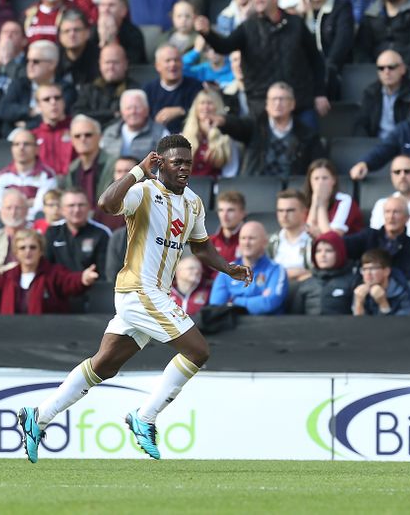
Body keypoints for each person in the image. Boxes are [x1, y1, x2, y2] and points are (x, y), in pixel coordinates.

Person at [16, 136, 252, 463]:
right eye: (176, 162)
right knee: (198, 350)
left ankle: (38, 415)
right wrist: (138, 172)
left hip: (149, 295)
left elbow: (199, 246)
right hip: (140, 289)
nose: (184, 167)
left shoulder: (193, 202)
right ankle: (145, 416)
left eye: (187, 161)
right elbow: (106, 204)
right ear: (161, 163)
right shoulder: (144, 192)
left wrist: (227, 268)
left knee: (105, 365)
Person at [194, 0, 330, 125]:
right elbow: (225, 46)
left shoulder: (296, 24)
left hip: (299, 104)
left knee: (309, 146)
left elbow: (316, 60)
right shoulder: (248, 27)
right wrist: (207, 33)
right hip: (262, 107)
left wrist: (320, 93)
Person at [0, 227, 96, 314]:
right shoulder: (7, 277)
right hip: (12, 337)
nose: (27, 252)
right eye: (22, 248)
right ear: (16, 253)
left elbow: (69, 281)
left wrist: (83, 278)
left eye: (33, 247)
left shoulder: (53, 273)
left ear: (41, 251)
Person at [213, 82, 327, 177]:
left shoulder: (308, 135)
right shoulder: (254, 127)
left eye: (282, 99)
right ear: (267, 105)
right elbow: (239, 126)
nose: (277, 103)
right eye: (273, 99)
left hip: (292, 194)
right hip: (257, 189)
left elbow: (319, 166)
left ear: (292, 104)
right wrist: (224, 121)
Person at [293, 0, 354, 99]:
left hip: (332, 72)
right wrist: (299, 16)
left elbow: (342, 44)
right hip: (304, 74)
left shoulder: (342, 7)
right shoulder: (296, 13)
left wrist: (322, 71)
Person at [210, 220, 286, 314]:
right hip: (232, 326)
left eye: (252, 238)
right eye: (243, 238)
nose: (246, 243)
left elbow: (269, 303)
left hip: (265, 326)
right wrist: (259, 298)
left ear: (264, 242)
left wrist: (233, 301)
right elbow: (216, 306)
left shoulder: (276, 270)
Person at [344, 194, 410, 279]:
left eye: (396, 212)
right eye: (387, 212)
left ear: (407, 218)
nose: (391, 217)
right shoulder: (368, 236)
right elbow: (340, 245)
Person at [0, 39, 64, 134]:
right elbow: (3, 110)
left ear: (52, 64)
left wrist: (27, 126)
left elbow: (59, 118)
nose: (30, 65)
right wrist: (30, 111)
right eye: (28, 60)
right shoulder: (19, 84)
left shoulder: (63, 88)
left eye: (36, 61)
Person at [0, 129, 56, 219]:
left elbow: (40, 211)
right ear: (12, 149)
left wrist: (10, 206)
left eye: (26, 144)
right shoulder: (0, 176)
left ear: (37, 149)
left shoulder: (47, 176)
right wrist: (29, 203)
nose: (21, 148)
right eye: (17, 144)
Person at [354, 49, 410, 139]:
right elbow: (361, 124)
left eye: (391, 67)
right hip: (377, 145)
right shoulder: (371, 92)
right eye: (381, 68)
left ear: (402, 69)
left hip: (404, 146)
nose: (386, 72)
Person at [45, 188, 110, 274]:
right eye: (71, 205)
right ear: (61, 210)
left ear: (89, 207)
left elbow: (105, 273)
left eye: (81, 205)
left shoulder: (101, 233)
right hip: (59, 286)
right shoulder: (52, 232)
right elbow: (46, 268)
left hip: (94, 286)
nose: (77, 210)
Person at [71, 43, 138, 126]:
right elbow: (78, 114)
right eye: (107, 62)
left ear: (125, 64)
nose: (111, 67)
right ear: (100, 65)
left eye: (115, 62)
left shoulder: (135, 91)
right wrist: (111, 114)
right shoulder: (88, 89)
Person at [180, 89, 240, 178]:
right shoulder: (183, 136)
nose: (205, 107)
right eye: (202, 103)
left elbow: (231, 171)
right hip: (187, 188)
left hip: (215, 187)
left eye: (210, 103)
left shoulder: (226, 137)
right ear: (196, 108)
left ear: (217, 107)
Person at [143, 44, 203, 134]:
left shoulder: (196, 87)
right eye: (168, 61)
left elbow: (203, 113)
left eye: (176, 60)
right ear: (157, 66)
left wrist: (181, 111)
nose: (173, 64)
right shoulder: (148, 90)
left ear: (182, 64)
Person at [290, 231, 353, 314]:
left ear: (339, 253)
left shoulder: (353, 282)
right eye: (318, 251)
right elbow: (295, 318)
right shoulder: (305, 284)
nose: (322, 255)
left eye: (329, 250)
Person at [64, 115, 118, 210]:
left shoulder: (114, 164)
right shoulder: (72, 168)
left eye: (88, 135)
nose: (82, 139)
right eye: (77, 136)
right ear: (72, 140)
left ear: (100, 137)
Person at [100, 89, 170, 161]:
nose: (133, 112)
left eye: (137, 107)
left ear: (147, 110)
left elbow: (167, 163)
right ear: (121, 112)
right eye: (128, 108)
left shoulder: (161, 133)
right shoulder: (110, 133)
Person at [304, 159, 363, 236]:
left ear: (333, 180)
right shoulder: (303, 202)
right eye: (316, 178)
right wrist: (315, 203)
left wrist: (321, 205)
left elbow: (332, 237)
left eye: (325, 178)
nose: (320, 183)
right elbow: (306, 235)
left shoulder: (345, 200)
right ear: (310, 182)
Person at [352, 247, 410, 316]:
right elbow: (358, 325)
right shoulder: (359, 291)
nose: (368, 273)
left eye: (373, 268)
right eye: (364, 269)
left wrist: (383, 304)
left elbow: (404, 324)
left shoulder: (401, 292)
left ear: (386, 271)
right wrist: (359, 304)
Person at [267, 189, 313, 281]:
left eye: (290, 210)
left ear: (304, 212)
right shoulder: (271, 241)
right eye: (280, 211)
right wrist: (299, 272)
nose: (284, 215)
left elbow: (320, 271)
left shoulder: (315, 239)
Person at [90, 0, 146, 64]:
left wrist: (112, 41)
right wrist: (102, 42)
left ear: (123, 11)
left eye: (111, 5)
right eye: (102, 5)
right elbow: (89, 61)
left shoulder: (133, 33)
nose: (106, 10)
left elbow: (132, 63)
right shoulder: (92, 31)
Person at [29, 83, 74, 174]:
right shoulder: (33, 136)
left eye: (57, 98)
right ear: (38, 106)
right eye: (47, 99)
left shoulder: (78, 131)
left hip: (73, 185)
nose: (53, 102)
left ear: (63, 102)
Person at [56, 10, 98, 89]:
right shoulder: (53, 59)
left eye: (77, 30)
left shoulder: (99, 58)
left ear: (87, 33)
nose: (72, 34)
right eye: (67, 31)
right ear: (60, 36)